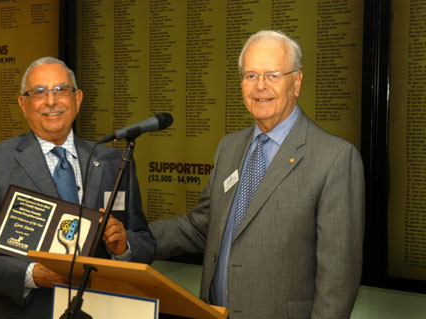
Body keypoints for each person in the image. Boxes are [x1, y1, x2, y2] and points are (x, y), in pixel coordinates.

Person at [150, 30, 364, 318]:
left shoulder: (335, 158)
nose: (260, 86)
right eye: (251, 75)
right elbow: (199, 226)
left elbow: (338, 280)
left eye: (273, 75)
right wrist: (129, 239)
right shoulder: (230, 147)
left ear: (297, 82)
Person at [0, 56, 155, 318]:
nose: (51, 101)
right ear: (23, 104)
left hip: (102, 311)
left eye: (61, 90)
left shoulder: (114, 161)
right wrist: (31, 275)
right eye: (39, 92)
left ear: (77, 99)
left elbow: (144, 240)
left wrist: (123, 247)